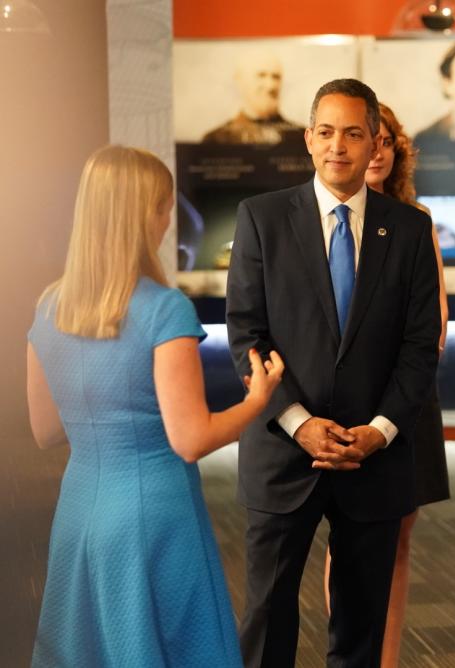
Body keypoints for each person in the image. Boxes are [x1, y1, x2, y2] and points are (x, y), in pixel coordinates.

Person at [27, 145, 284, 667]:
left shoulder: (49, 305)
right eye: (167, 206)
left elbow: (46, 431)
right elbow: (189, 438)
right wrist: (257, 400)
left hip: (79, 512)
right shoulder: (164, 309)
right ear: (150, 213)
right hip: (154, 515)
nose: (170, 220)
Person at [226, 78, 441, 666]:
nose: (338, 146)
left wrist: (380, 430)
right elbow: (246, 336)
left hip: (373, 457)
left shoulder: (410, 230)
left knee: (361, 628)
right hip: (282, 453)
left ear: (376, 143)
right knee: (267, 620)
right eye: (326, 132)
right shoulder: (262, 219)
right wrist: (298, 423)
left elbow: (421, 347)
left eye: (353, 133)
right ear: (307, 139)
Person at [321, 102, 451, 667]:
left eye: (383, 140)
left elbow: (435, 327)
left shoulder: (416, 221)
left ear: (394, 151)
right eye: (358, 137)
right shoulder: (318, 215)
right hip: (337, 404)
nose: (372, 150)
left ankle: (386, 659)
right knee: (345, 539)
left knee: (397, 538)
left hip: (406, 402)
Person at [202, 50, 304, 145]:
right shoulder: (216, 139)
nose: (270, 85)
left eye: (276, 77)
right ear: (239, 81)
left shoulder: (301, 137)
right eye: (261, 75)